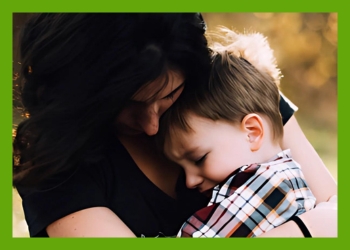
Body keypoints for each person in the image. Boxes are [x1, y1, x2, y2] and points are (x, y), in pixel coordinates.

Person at [12, 13, 337, 238]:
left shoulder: (232, 92)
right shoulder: (54, 158)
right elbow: (329, 220)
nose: (152, 125)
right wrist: (309, 228)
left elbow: (338, 213)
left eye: (168, 94)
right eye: (126, 105)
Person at [158, 30, 317, 237]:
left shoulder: (270, 185)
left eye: (199, 159)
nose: (189, 181)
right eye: (182, 168)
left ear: (252, 132)